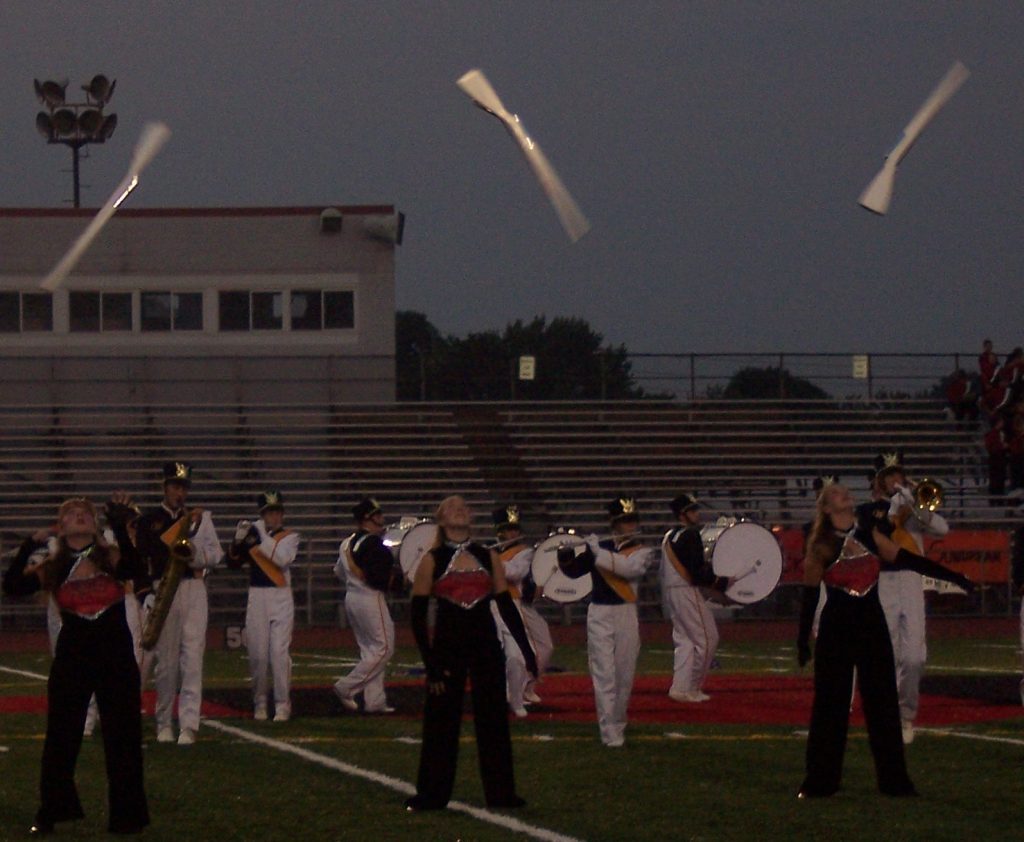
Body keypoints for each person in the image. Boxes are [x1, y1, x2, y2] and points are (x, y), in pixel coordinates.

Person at [796, 480, 972, 798]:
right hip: (836, 629)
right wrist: (801, 641)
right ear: (825, 507)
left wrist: (952, 576)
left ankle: (894, 781)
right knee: (830, 707)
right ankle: (820, 781)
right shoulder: (820, 543)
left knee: (883, 705)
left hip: (871, 625)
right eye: (836, 493)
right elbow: (809, 596)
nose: (845, 493)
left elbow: (906, 559)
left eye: (846, 491)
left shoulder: (868, 534)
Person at [2, 496, 149, 835]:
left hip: (115, 654)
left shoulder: (109, 556)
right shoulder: (53, 565)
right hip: (73, 656)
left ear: (95, 524)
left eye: (86, 513)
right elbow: (12, 586)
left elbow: (134, 569)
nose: (80, 516)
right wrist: (28, 545)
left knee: (123, 738)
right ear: (61, 526)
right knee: (61, 737)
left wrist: (118, 526)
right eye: (71, 513)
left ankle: (127, 818)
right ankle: (51, 811)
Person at [405, 495, 536, 812]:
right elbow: (418, 616)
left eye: (465, 505)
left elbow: (505, 604)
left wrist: (525, 647)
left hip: (485, 646)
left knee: (493, 721)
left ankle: (501, 793)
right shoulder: (431, 560)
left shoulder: (488, 556)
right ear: (441, 519)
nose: (461, 508)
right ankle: (432, 795)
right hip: (447, 650)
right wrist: (431, 663)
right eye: (452, 507)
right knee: (441, 724)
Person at [557, 495, 658, 747]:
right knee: (604, 673)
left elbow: (628, 569)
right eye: (625, 521)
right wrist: (564, 550)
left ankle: (618, 722)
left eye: (633, 520)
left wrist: (595, 551)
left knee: (625, 674)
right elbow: (572, 571)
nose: (631, 526)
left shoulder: (643, 551)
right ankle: (609, 730)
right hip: (600, 613)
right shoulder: (598, 548)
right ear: (614, 524)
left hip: (626, 613)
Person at [134, 462, 223, 746]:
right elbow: (145, 554)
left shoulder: (201, 518)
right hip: (164, 588)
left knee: (193, 659)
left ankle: (189, 724)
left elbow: (216, 555)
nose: (179, 492)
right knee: (167, 662)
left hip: (194, 588)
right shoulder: (150, 520)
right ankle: (164, 722)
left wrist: (194, 553)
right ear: (165, 488)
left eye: (183, 488)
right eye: (175, 486)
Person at [874, 451, 950, 744]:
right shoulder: (873, 510)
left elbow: (942, 529)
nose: (896, 480)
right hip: (883, 581)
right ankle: (891, 716)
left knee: (915, 658)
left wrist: (915, 502)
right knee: (888, 655)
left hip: (911, 581)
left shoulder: (913, 513)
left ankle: (906, 714)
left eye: (899, 475)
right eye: (890, 477)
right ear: (880, 482)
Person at [227, 490, 301, 722]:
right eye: (270, 512)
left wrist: (258, 534)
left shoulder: (290, 536)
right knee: (258, 654)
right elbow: (232, 563)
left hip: (280, 596)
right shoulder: (254, 535)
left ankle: (282, 704)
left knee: (279, 654)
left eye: (277, 512)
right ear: (263, 514)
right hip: (257, 596)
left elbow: (281, 559)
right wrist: (237, 540)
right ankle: (259, 701)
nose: (275, 517)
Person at [332, 498, 403, 714]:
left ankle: (375, 701)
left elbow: (338, 572)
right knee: (384, 648)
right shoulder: (373, 543)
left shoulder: (347, 542)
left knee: (369, 650)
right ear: (367, 518)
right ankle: (347, 686)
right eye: (377, 515)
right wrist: (403, 580)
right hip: (370, 597)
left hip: (352, 596)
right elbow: (378, 579)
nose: (381, 518)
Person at [661, 493, 726, 703]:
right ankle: (692, 687)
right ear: (683, 515)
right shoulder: (690, 535)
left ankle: (679, 687)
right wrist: (720, 582)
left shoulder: (669, 535)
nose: (697, 514)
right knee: (707, 639)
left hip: (671, 591)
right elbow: (697, 572)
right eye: (692, 511)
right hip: (685, 590)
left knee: (685, 641)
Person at [490, 505, 553, 716]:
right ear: (499, 530)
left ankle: (524, 687)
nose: (513, 533)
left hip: (519, 603)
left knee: (540, 648)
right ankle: (513, 691)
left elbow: (515, 573)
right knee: (511, 652)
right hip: (496, 604)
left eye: (515, 529)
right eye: (508, 529)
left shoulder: (524, 552)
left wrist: (490, 562)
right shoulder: (492, 551)